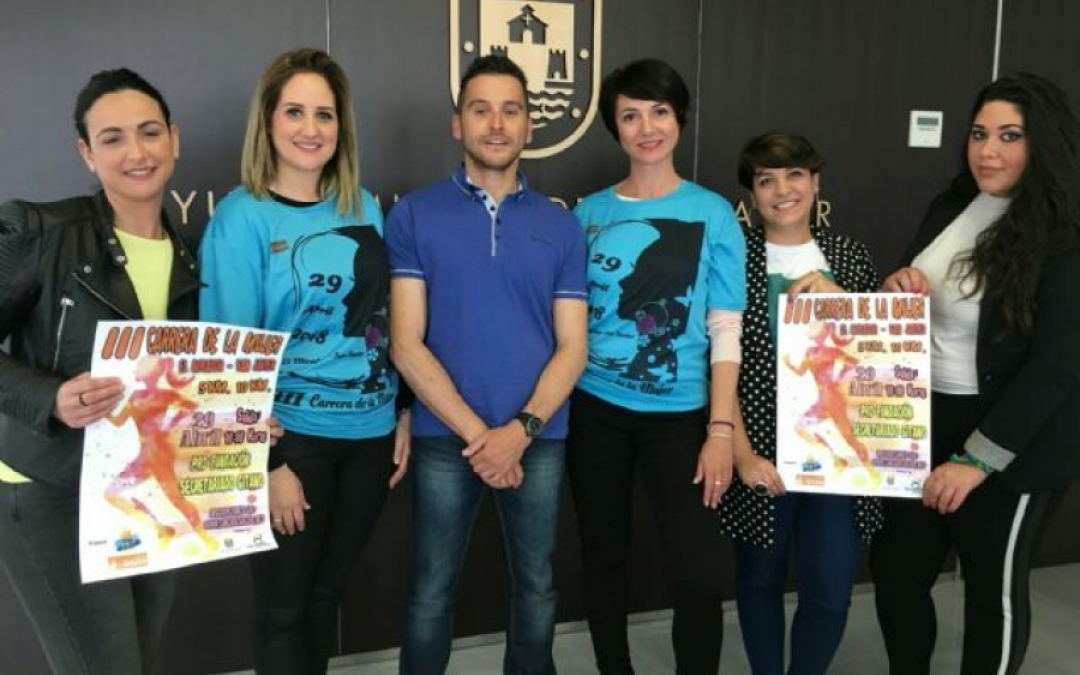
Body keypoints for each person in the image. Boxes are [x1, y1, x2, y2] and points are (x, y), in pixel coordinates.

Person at [199, 48, 408, 675]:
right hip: (293, 443)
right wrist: (269, 465)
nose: (310, 128)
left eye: (324, 114)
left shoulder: (363, 205)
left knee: (324, 599)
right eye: (294, 111)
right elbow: (228, 357)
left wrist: (400, 411)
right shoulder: (241, 218)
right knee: (283, 611)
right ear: (268, 121)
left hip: (369, 439)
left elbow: (382, 320)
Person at [870, 73, 1080, 675]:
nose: (988, 151)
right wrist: (898, 285)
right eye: (979, 133)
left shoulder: (1063, 235)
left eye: (1010, 136)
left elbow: (1057, 367)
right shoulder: (950, 206)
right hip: (922, 420)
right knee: (897, 576)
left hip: (1013, 437)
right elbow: (918, 302)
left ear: (1043, 143)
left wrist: (976, 461)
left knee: (992, 593)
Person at [387, 54, 588, 675]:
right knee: (430, 592)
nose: (496, 124)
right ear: (457, 124)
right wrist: (483, 438)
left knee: (537, 589)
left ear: (530, 125)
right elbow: (405, 343)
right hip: (446, 438)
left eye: (510, 110)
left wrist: (519, 432)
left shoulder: (563, 226)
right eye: (481, 110)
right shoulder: (413, 214)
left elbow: (574, 347)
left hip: (538, 438)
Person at [0, 68, 196, 674]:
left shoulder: (191, 253)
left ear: (174, 139)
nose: (136, 152)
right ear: (87, 153)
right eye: (112, 138)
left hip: (146, 486)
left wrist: (232, 424)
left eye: (149, 132)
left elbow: (179, 384)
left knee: (132, 660)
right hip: (52, 487)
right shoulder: (40, 231)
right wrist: (51, 397)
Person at [567, 58, 745, 675]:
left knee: (697, 573)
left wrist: (720, 430)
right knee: (602, 555)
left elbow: (725, 329)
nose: (647, 128)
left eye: (659, 112)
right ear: (614, 128)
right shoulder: (587, 215)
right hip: (595, 411)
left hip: (681, 419)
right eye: (631, 115)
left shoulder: (713, 213)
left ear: (680, 119)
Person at [717, 132, 883, 675]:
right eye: (766, 180)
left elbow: (882, 365)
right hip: (761, 451)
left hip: (840, 458)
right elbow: (715, 360)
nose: (782, 190)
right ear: (752, 194)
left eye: (794, 175)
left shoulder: (850, 256)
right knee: (759, 580)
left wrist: (849, 306)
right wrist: (741, 452)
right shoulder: (733, 254)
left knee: (830, 592)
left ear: (816, 183)